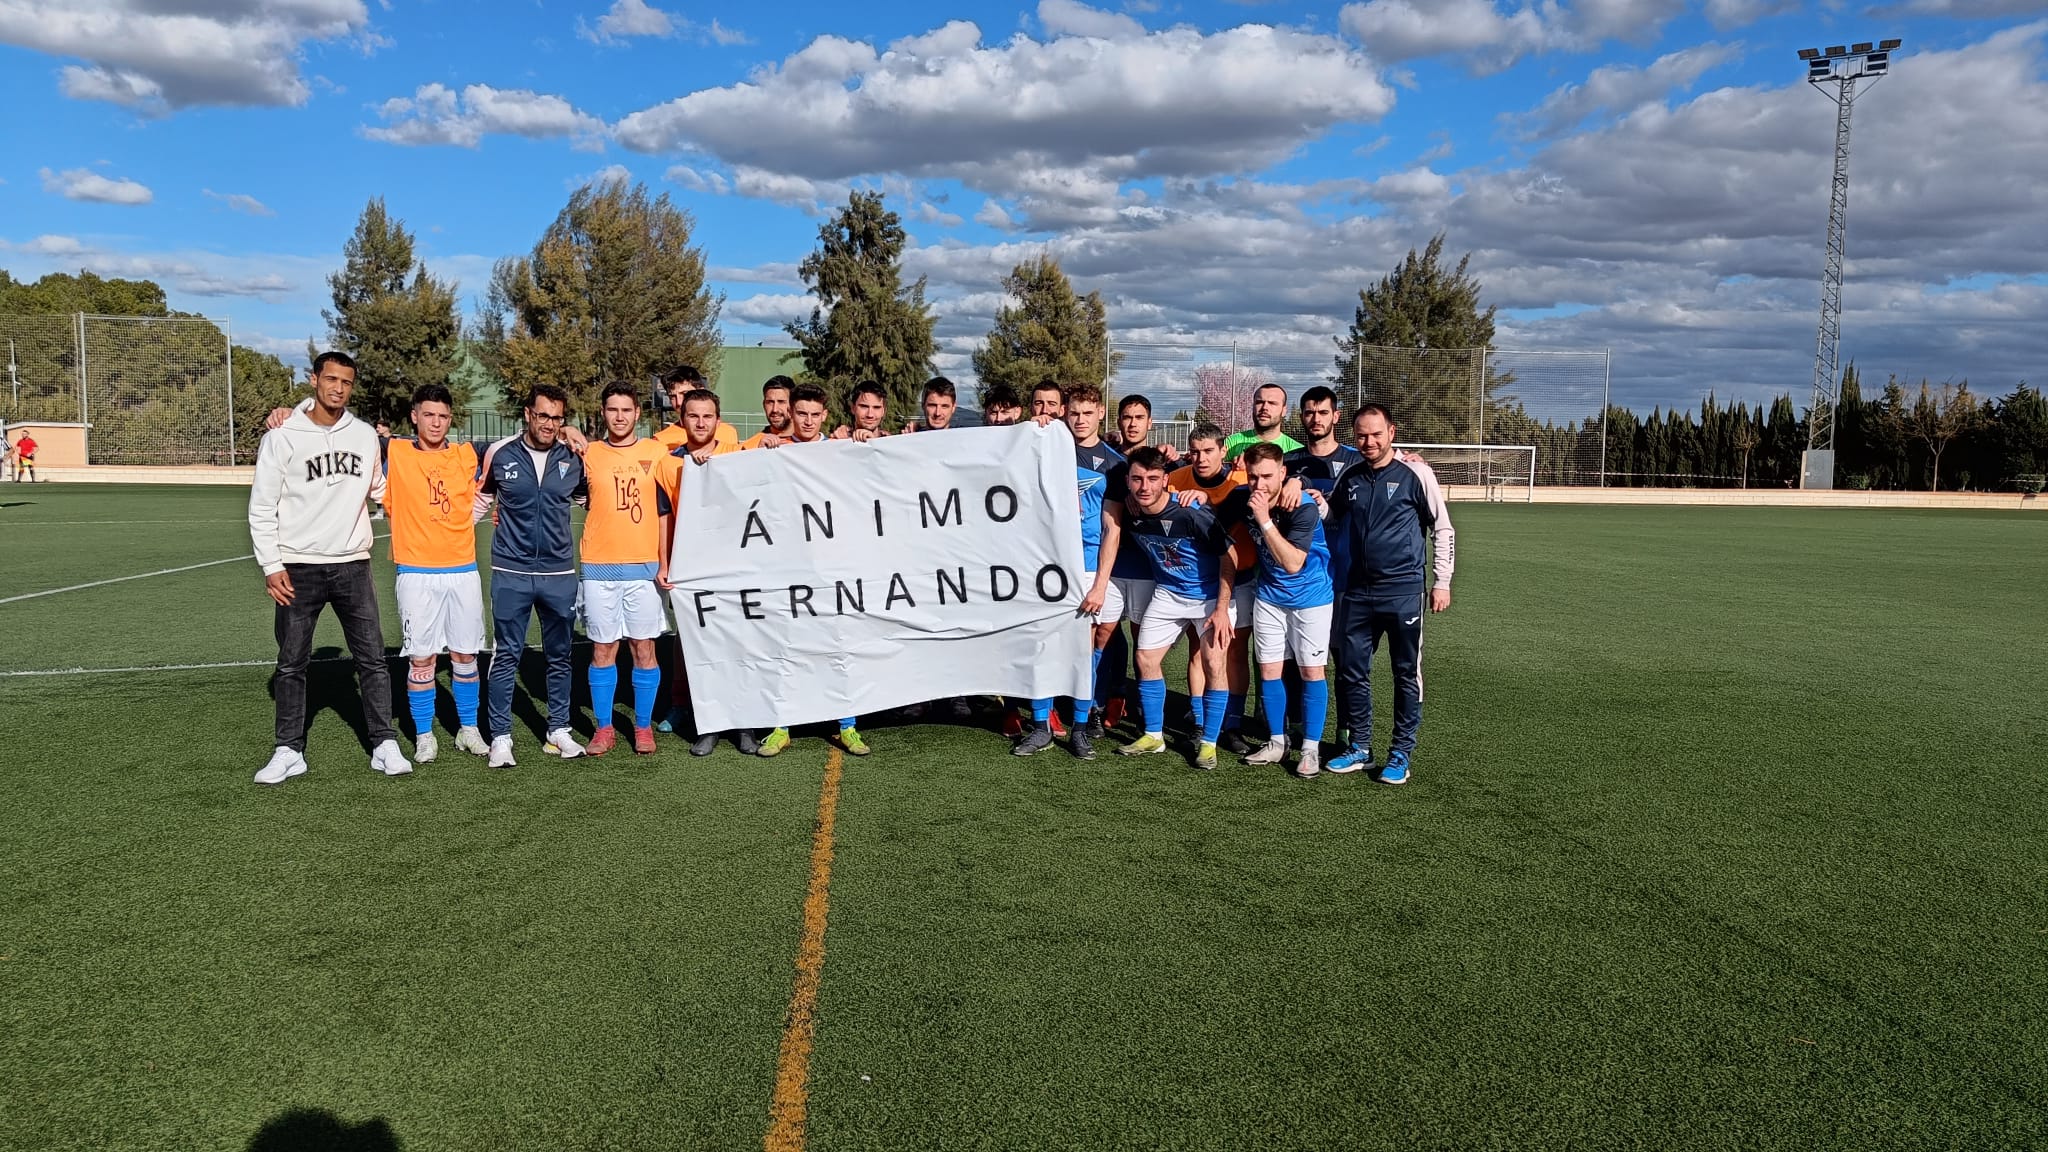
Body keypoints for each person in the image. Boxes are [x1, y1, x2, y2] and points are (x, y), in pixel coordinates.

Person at [247, 350, 411, 784]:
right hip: (298, 567)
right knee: (290, 662)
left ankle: (383, 742)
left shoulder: (362, 436)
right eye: (331, 379)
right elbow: (261, 506)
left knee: (373, 659)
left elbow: (381, 488)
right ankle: (288, 749)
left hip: (353, 566)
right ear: (315, 379)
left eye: (347, 382)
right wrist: (271, 564)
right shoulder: (283, 435)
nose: (338, 388)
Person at [1323, 404, 1456, 785]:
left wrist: (1441, 581)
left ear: (1392, 432)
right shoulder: (1351, 475)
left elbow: (1442, 528)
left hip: (1402, 591)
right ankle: (1360, 748)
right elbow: (1332, 517)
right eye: (1362, 435)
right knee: (1352, 671)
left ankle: (1400, 753)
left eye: (1376, 434)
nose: (1369, 442)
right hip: (1356, 592)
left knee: (1405, 674)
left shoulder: (1417, 472)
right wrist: (1314, 502)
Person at [478, 385, 588, 768]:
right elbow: (479, 501)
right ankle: (501, 737)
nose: (549, 424)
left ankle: (559, 729)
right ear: (528, 413)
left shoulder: (573, 458)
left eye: (557, 418)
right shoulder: (501, 453)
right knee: (507, 653)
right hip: (510, 570)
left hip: (559, 572)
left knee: (560, 655)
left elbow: (592, 502)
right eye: (543, 416)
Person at [757, 383, 869, 758]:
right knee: (785, 648)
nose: (806, 420)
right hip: (786, 568)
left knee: (839, 648)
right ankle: (781, 726)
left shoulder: (838, 449)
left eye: (813, 414)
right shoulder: (772, 449)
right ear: (791, 413)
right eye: (800, 413)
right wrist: (762, 454)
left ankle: (847, 725)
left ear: (825, 416)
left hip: (833, 567)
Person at [381, 384, 489, 763]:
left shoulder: (465, 455)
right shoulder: (393, 452)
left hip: (462, 570)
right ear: (414, 416)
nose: (436, 423)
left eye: (443, 416)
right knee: (422, 658)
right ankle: (425, 734)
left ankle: (468, 729)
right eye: (428, 415)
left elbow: (510, 446)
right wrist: (295, 411)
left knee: (465, 655)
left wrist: (570, 431)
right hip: (415, 571)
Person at [577, 382, 684, 756]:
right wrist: (566, 432)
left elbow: (664, 511)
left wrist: (663, 562)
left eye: (626, 410)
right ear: (603, 413)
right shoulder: (589, 454)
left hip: (644, 570)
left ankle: (642, 728)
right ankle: (604, 728)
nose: (619, 417)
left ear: (637, 413)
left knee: (644, 648)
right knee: (603, 650)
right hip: (599, 567)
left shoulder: (656, 452)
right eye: (612, 410)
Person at [1215, 443, 1333, 778]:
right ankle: (1277, 742)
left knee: (1311, 672)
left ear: (1283, 473)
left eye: (1267, 476)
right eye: (1253, 477)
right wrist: (1195, 501)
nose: (1259, 484)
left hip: (1311, 599)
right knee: (1268, 670)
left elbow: (1294, 563)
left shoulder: (1303, 506)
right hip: (1268, 596)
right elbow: (1213, 525)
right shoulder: (1243, 496)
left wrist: (1265, 520)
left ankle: (1310, 749)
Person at [1117, 447, 1237, 770]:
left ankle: (1209, 745)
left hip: (1210, 596)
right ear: (1128, 480)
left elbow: (1231, 558)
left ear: (1166, 481)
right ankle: (1154, 736)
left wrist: (1222, 609)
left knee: (1214, 663)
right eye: (1137, 479)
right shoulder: (1132, 512)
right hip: (1169, 593)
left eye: (1153, 479)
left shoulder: (1189, 511)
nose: (1145, 486)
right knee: (1145, 658)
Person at [1014, 409, 1123, 760]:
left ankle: (1079, 728)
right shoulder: (1047, 445)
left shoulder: (1114, 463)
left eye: (1088, 413)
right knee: (1042, 647)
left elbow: (1113, 529)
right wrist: (1035, 426)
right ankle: (1040, 726)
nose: (1081, 419)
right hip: (1047, 565)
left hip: (1088, 568)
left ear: (1100, 414)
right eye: (1073, 412)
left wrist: (1100, 584)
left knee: (1082, 651)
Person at [656, 387, 758, 756]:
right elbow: (664, 519)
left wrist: (776, 448)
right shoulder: (668, 464)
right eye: (694, 416)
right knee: (704, 650)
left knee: (740, 646)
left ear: (719, 420)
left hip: (736, 568)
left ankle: (745, 725)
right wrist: (664, 564)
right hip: (692, 571)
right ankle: (709, 725)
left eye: (708, 416)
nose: (701, 422)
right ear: (682, 419)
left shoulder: (738, 455)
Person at [1168, 424, 1258, 753]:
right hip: (1198, 580)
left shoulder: (1240, 482)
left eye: (1208, 451)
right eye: (1195, 451)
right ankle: (1199, 718)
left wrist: (1206, 502)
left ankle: (1231, 724)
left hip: (1242, 576)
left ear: (1224, 451)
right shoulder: (1176, 479)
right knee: (1198, 650)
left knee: (1234, 652)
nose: (1201, 458)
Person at [1284, 386, 1364, 746]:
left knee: (1345, 658)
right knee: (1296, 657)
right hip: (1301, 577)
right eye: (1308, 412)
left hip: (1344, 573)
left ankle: (1347, 730)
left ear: (1336, 416)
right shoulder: (1288, 463)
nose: (1315, 419)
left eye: (1322, 412)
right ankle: (1297, 725)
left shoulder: (1355, 461)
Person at [1094, 394, 1177, 733]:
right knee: (1102, 635)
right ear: (1118, 422)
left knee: (1144, 641)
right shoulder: (1111, 461)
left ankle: (1144, 708)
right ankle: (1097, 706)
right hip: (1114, 568)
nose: (1132, 423)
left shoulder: (1165, 462)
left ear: (1150, 422)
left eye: (1138, 417)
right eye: (1126, 417)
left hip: (1148, 571)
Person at [653, 365, 739, 454]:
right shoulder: (661, 440)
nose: (678, 402)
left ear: (701, 391)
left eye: (684, 394)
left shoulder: (728, 432)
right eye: (672, 397)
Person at [1222, 382, 1303, 462]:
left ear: (1284, 410)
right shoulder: (1231, 443)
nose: (1264, 407)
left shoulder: (1296, 451)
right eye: (1259, 402)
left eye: (1272, 403)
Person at [739, 376, 797, 450]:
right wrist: (759, 453)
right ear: (764, 405)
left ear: (794, 405)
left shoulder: (810, 442)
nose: (775, 409)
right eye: (770, 402)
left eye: (781, 402)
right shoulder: (749, 447)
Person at [368, 421, 392, 518]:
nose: (377, 429)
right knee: (379, 489)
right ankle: (380, 512)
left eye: (379, 427)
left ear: (386, 428)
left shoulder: (394, 440)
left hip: (391, 468)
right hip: (381, 468)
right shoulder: (378, 440)